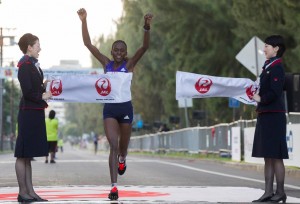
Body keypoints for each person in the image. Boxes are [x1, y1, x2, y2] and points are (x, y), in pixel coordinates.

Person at [77, 8, 153, 200]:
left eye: (122, 50)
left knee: (123, 148)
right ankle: (113, 187)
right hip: (110, 109)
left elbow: (144, 48)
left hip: (125, 108)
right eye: (115, 50)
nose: (118, 53)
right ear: (111, 51)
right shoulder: (106, 63)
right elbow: (88, 44)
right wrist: (84, 20)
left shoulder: (129, 65)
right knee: (113, 145)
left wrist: (146, 27)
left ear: (125, 53)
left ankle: (122, 159)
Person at [14, 33, 52, 202]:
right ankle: (23, 193)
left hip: (34, 112)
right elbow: (28, 92)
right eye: (37, 45)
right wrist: (43, 96)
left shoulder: (33, 65)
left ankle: (30, 192)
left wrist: (45, 86)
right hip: (28, 113)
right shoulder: (24, 65)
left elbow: (34, 87)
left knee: (27, 155)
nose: (40, 48)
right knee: (22, 154)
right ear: (29, 47)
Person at [252, 35, 288, 203]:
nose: (264, 49)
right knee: (268, 155)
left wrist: (260, 99)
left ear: (276, 49)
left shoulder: (277, 67)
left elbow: (275, 91)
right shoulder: (268, 66)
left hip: (274, 115)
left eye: (267, 46)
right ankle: (268, 192)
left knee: (276, 155)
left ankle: (280, 192)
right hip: (266, 114)